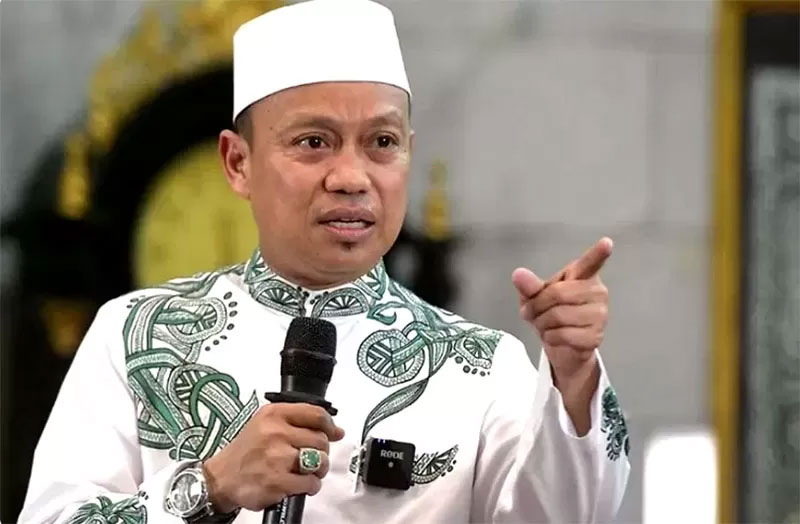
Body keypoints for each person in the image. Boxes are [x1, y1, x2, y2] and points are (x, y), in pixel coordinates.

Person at [19, 1, 630, 522]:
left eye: (382, 143)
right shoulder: (134, 333)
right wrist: (211, 486)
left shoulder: (482, 368)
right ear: (238, 163)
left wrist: (573, 374)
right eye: (314, 143)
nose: (351, 177)